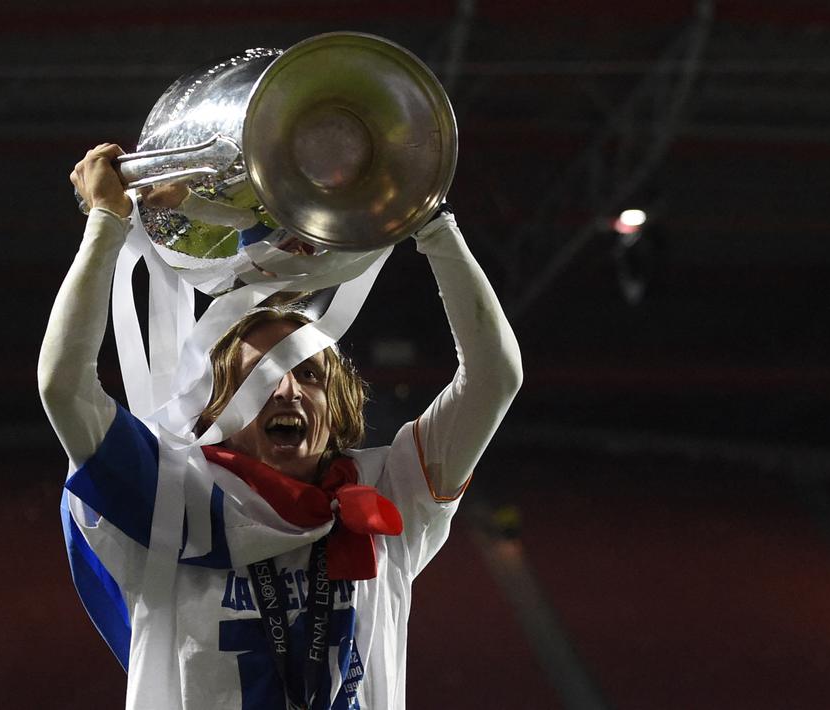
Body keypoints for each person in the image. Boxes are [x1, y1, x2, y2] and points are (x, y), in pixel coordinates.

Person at [39, 143, 521, 710]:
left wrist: (432, 222)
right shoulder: (169, 492)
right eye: (258, 378)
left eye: (309, 375)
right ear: (215, 408)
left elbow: (494, 378)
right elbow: (63, 386)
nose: (287, 388)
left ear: (336, 404)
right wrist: (107, 221)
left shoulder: (387, 492)